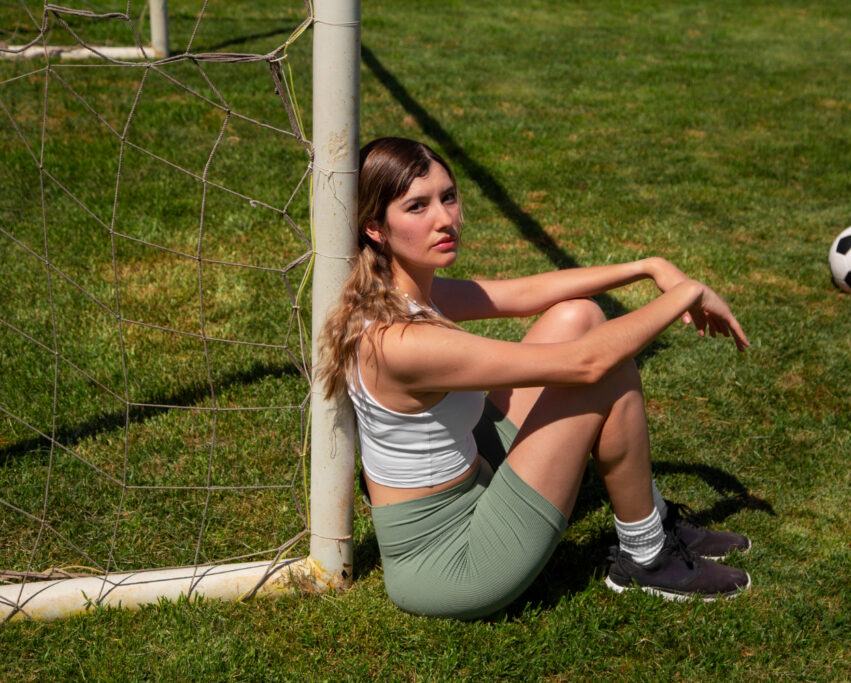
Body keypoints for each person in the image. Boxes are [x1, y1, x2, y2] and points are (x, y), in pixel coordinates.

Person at [318, 137, 753, 619]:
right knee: (604, 371)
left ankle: (650, 516)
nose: (445, 218)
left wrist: (647, 268)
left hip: (475, 480)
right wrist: (686, 294)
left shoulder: (394, 291)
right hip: (450, 563)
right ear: (375, 228)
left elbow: (525, 293)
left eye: (448, 196)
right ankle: (646, 554)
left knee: (578, 315)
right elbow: (583, 365)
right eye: (417, 206)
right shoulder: (401, 342)